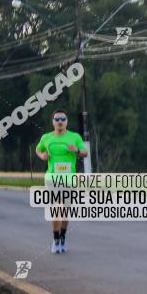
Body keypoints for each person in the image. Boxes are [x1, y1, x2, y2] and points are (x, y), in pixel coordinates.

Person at [35, 108, 87, 253]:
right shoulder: (46, 138)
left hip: (69, 179)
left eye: (63, 119)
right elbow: (38, 149)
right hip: (52, 178)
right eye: (57, 119)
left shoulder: (75, 137)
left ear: (67, 122)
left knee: (66, 210)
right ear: (52, 122)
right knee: (57, 207)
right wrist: (42, 156)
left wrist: (76, 150)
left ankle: (63, 237)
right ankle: (55, 239)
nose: (60, 122)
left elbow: (85, 153)